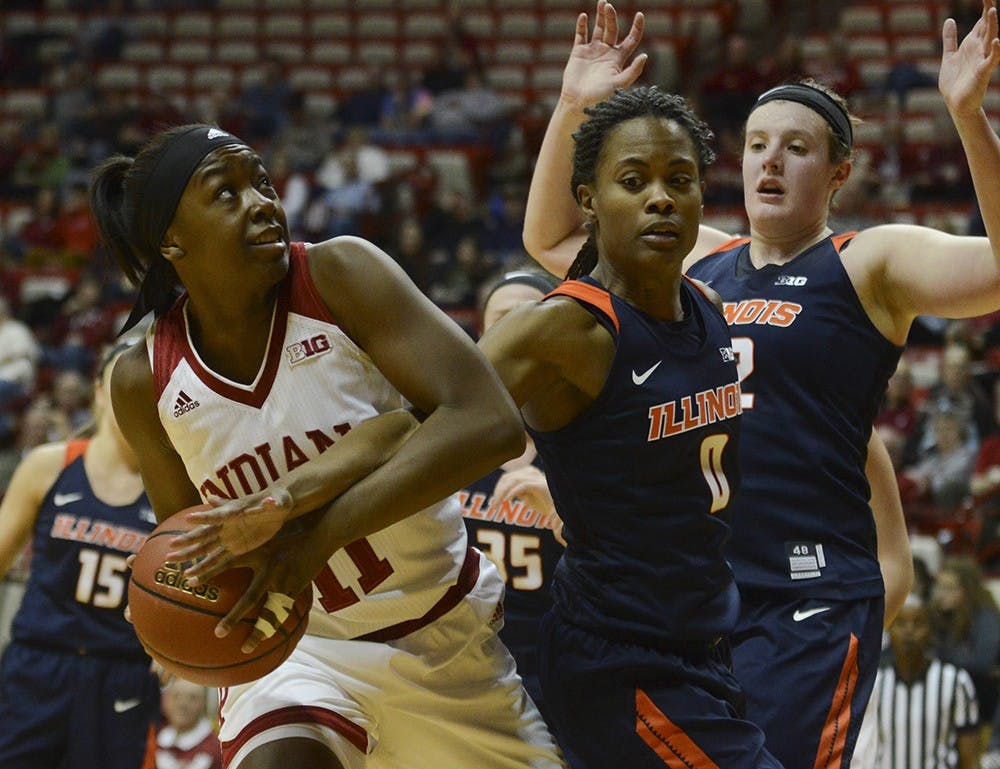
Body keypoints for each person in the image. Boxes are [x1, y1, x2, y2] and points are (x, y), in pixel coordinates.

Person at [521, 1, 1000, 766]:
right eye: (755, 146)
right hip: (699, 599)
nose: (769, 162)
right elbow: (549, 236)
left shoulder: (866, 261)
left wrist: (968, 115)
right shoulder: (696, 258)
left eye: (797, 148)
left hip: (808, 596)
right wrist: (576, 102)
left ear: (839, 172)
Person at [89, 123, 564, 769]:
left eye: (260, 181)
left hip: (442, 639)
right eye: (224, 193)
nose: (261, 201)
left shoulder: (339, 273)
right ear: (172, 239)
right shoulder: (145, 380)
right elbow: (189, 549)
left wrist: (308, 538)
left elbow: (490, 423)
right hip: (299, 655)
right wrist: (175, 611)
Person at [480, 83, 782, 768]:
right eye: (634, 180)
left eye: (681, 179)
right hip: (619, 660)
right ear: (588, 199)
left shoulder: (704, 307)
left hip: (703, 644)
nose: (661, 197)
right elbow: (431, 418)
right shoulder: (567, 328)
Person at [0, 342, 160, 769]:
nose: (133, 392)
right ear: (99, 390)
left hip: (122, 672)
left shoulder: (170, 489)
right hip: (37, 664)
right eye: (122, 381)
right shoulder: (48, 465)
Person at [459, 267, 564, 720]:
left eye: (530, 319)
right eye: (503, 321)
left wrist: (568, 514)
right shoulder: (444, 442)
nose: (517, 336)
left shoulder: (590, 446)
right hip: (462, 662)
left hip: (561, 663)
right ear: (480, 338)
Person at [873, 593, 980, 769]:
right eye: (901, 624)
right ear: (889, 631)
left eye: (918, 623)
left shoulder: (955, 682)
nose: (909, 631)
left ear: (930, 631)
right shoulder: (875, 683)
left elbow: (970, 759)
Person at [930, 556, 1000, 751]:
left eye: (949, 588)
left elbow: (981, 661)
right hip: (952, 703)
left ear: (967, 590)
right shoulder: (938, 617)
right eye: (939, 587)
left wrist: (940, 657)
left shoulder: (985, 616)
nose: (941, 594)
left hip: (982, 704)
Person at [144, 678, 223, 769]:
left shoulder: (216, 748)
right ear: (164, 701)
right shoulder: (153, 738)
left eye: (192, 698)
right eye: (176, 696)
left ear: (203, 704)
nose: (183, 704)